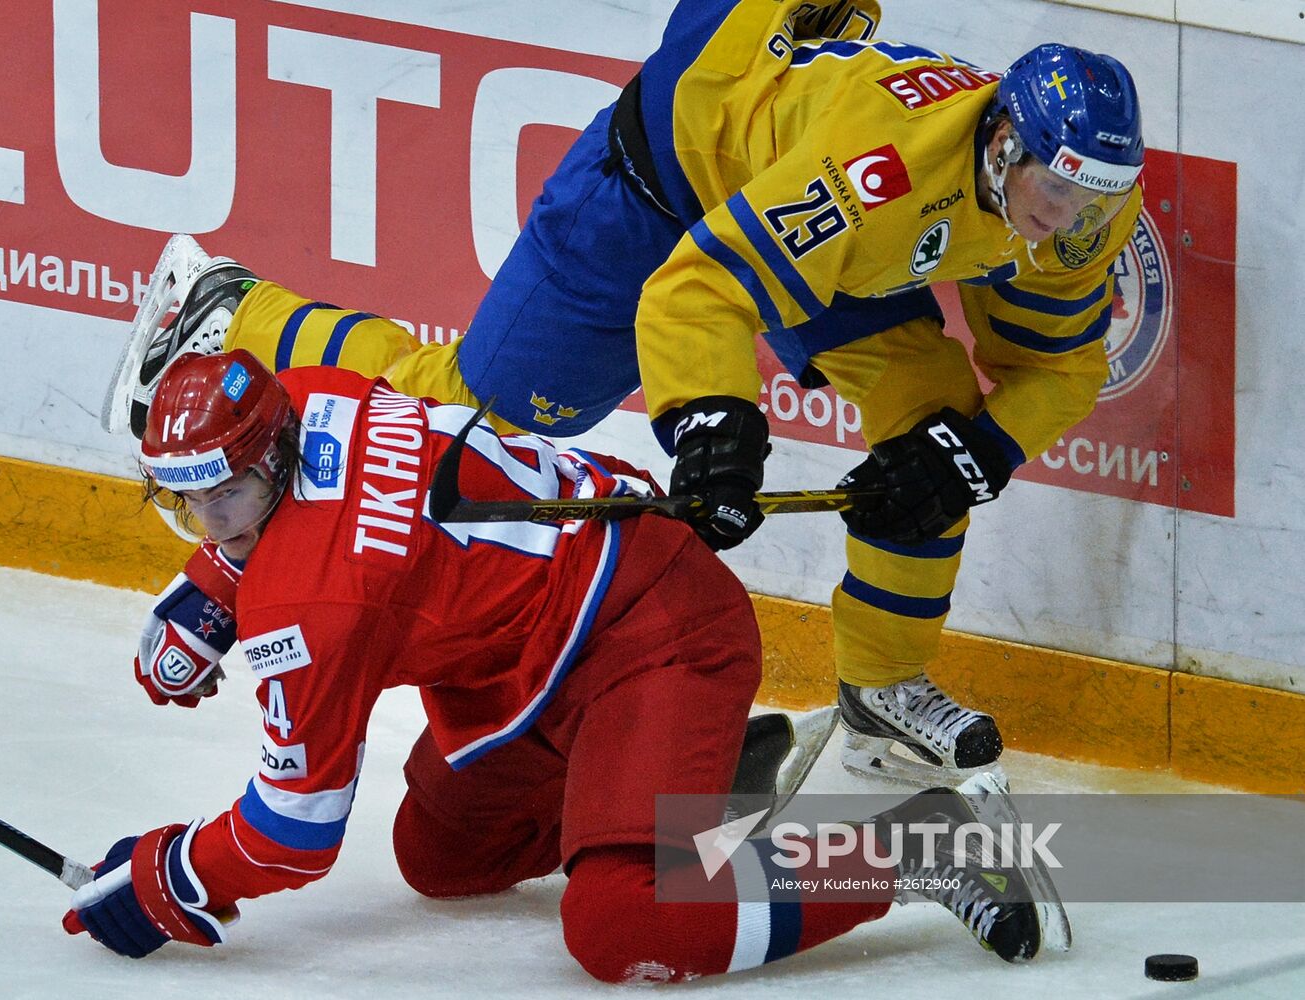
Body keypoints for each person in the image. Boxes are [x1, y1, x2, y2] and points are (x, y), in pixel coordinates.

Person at [103, 0, 1146, 786]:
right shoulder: (878, 171)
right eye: (1052, 191)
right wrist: (715, 439)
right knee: (476, 415)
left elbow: (1059, 365)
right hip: (664, 183)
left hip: (800, 219)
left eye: (1088, 201)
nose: (1064, 221)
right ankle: (230, 308)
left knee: (934, 430)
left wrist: (979, 452)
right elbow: (703, 289)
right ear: (1002, 141)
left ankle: (882, 694)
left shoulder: (1079, 213)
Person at [70, 349, 1067, 979]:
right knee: (441, 853)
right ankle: (691, 786)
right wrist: (212, 588)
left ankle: (929, 844)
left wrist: (172, 874)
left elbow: (293, 832)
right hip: (533, 662)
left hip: (653, 629)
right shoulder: (311, 396)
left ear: (275, 455)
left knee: (620, 923)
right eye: (186, 503)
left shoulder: (315, 608)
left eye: (228, 499)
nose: (210, 522)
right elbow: (308, 520)